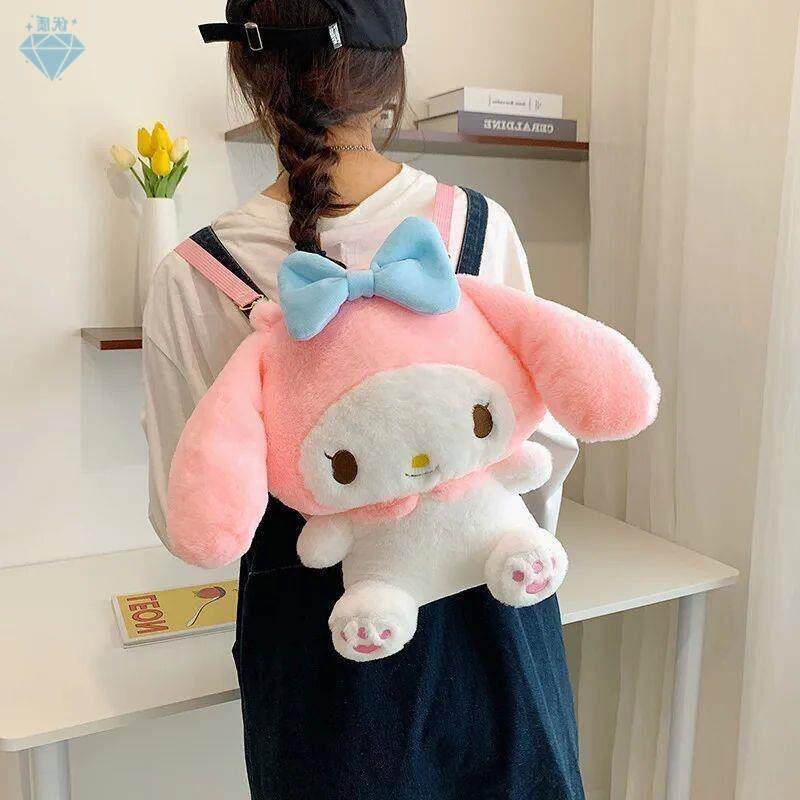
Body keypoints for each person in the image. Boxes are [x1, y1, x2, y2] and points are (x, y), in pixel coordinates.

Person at [143, 1, 585, 798]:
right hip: (493, 599)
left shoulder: (196, 271)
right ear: (391, 81)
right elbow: (544, 442)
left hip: (314, 630)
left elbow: (191, 511)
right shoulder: (475, 227)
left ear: (250, 76)